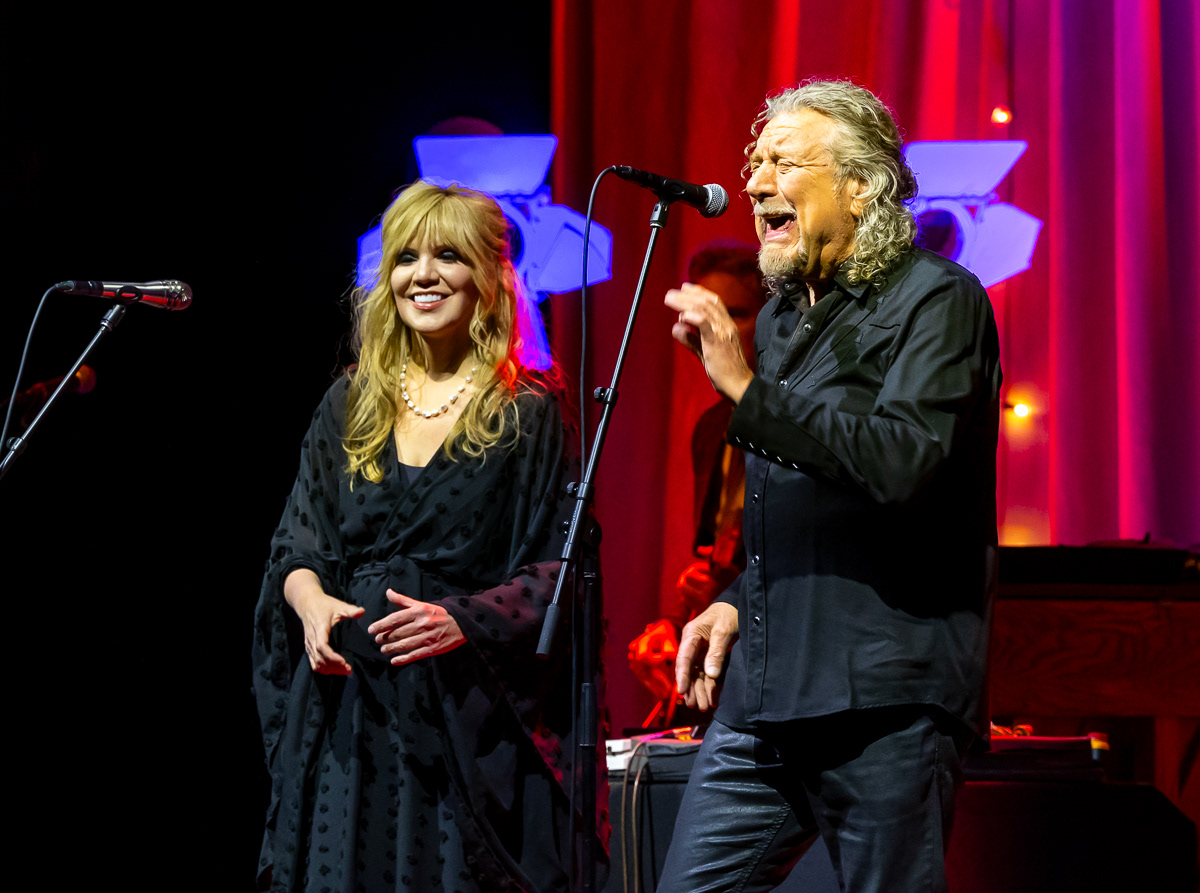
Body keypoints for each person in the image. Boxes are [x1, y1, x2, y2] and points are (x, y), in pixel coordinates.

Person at [659, 79, 1002, 893]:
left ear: (860, 185)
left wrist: (748, 393)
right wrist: (739, 596)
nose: (752, 182)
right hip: (766, 697)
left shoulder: (938, 300)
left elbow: (903, 463)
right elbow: (807, 502)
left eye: (782, 160)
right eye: (753, 162)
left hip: (882, 696)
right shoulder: (782, 319)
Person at [252, 181, 604, 892]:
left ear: (489, 276)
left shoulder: (528, 413)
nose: (425, 273)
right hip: (349, 713)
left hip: (464, 722)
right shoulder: (349, 403)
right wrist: (312, 601)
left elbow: (560, 570)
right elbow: (298, 543)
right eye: (406, 256)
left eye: (449, 255)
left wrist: (461, 620)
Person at [627, 242, 765, 727]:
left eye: (736, 313)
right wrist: (673, 626)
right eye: (706, 314)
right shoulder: (711, 429)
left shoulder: (798, 417)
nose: (717, 329)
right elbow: (717, 556)